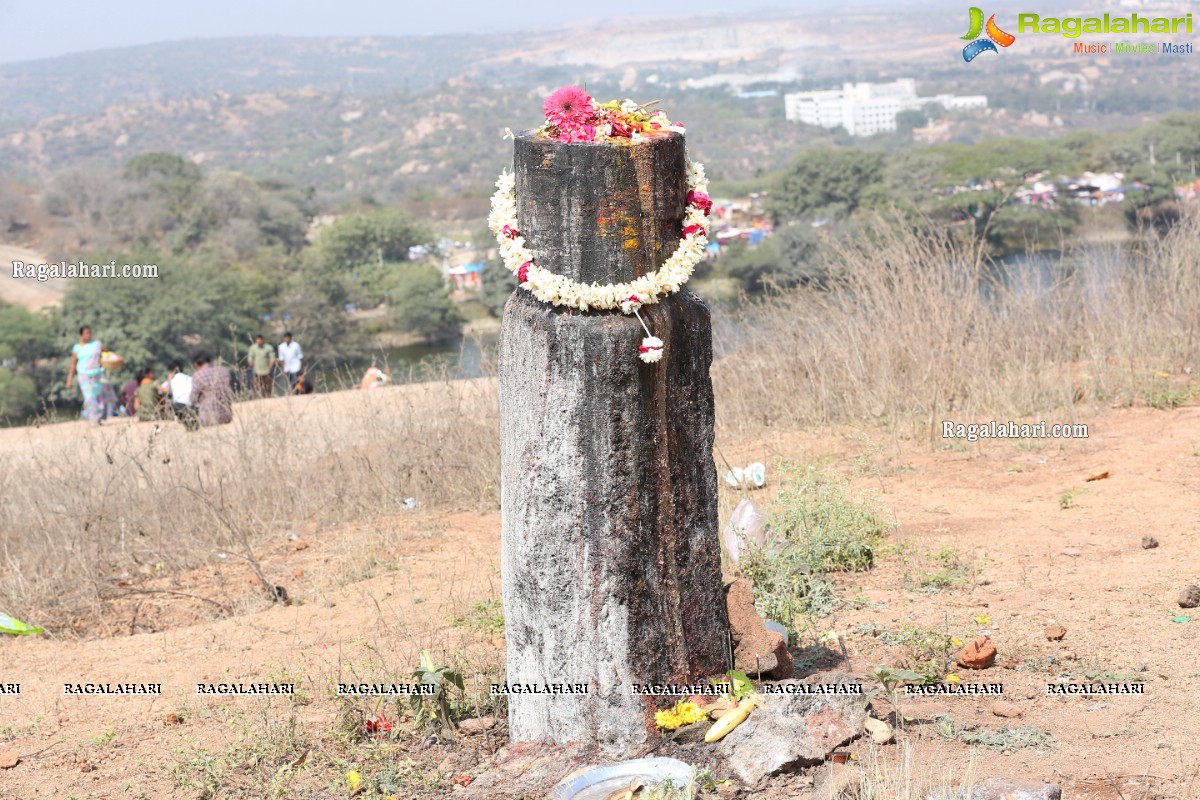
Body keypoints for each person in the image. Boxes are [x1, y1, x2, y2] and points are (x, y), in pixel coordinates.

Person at [65, 325, 104, 424]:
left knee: (98, 397)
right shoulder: (77, 348)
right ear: (81, 335)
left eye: (90, 333)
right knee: (89, 397)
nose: (89, 335)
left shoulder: (97, 344)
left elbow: (106, 355)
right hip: (84, 375)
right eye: (86, 333)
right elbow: (73, 364)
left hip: (97, 374)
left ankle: (98, 418)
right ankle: (93, 419)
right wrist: (69, 380)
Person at [189, 352, 234, 427]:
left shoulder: (198, 376)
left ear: (196, 364)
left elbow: (193, 400)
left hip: (207, 419)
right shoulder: (224, 371)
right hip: (226, 416)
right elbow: (231, 392)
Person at [161, 359, 197, 430]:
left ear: (171, 371)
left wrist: (169, 380)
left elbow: (162, 391)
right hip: (194, 409)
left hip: (180, 409)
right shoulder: (190, 378)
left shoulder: (171, 380)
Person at [246, 334, 275, 399]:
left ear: (263, 340)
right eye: (258, 339)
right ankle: (257, 398)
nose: (259, 341)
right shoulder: (253, 348)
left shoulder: (268, 348)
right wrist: (250, 363)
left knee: (266, 386)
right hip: (256, 370)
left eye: (260, 339)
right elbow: (250, 358)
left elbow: (272, 358)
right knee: (256, 386)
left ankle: (266, 397)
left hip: (266, 370)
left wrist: (270, 367)